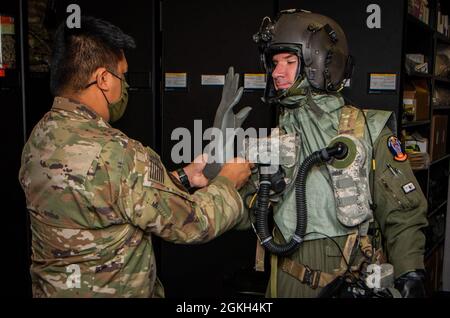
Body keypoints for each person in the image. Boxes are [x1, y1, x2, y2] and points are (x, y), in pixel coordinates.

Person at [18, 16, 252, 298]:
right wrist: (228, 181)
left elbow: (107, 199)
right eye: (122, 75)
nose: (125, 85)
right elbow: (194, 223)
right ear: (103, 79)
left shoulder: (41, 135)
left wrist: (183, 177)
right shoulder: (117, 153)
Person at [242, 9, 428, 298]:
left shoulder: (368, 131)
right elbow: (244, 212)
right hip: (284, 281)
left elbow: (403, 212)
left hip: (347, 281)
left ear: (322, 63)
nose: (277, 72)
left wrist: (410, 271)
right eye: (274, 63)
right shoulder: (275, 138)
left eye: (289, 62)